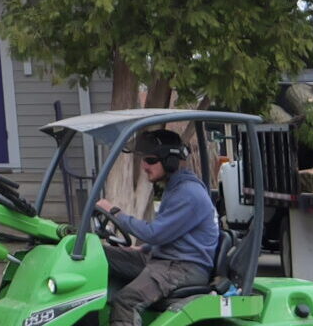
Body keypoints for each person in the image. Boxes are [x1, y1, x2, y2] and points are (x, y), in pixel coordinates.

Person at [92, 128, 219, 326]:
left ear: (169, 160)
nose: (144, 166)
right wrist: (143, 248)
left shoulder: (188, 193)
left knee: (127, 301)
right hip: (165, 260)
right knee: (96, 255)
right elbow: (174, 234)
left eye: (150, 160)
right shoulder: (175, 188)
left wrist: (115, 212)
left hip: (184, 267)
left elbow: (155, 233)